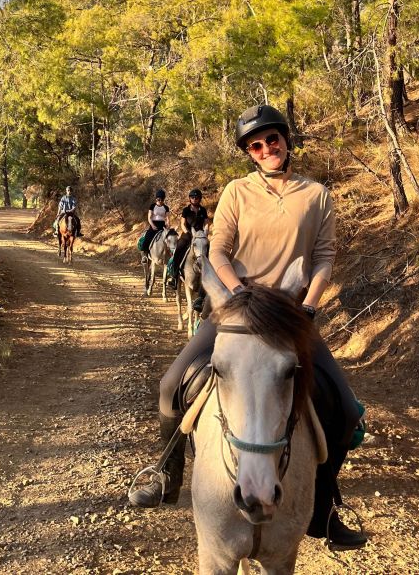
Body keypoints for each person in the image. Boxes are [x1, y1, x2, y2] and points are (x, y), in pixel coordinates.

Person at [128, 105, 367, 550]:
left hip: (293, 315)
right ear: (249, 154)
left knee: (347, 411)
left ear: (286, 140)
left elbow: (323, 258)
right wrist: (239, 295)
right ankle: (166, 473)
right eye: (255, 145)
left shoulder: (317, 195)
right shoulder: (237, 191)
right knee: (170, 385)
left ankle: (327, 505)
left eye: (271, 139)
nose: (265, 148)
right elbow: (218, 251)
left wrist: (310, 307)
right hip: (237, 311)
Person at [166, 188, 210, 288]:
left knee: (210, 249)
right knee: (178, 249)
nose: (194, 199)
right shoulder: (186, 210)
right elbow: (183, 224)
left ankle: (212, 276)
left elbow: (207, 223)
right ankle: (174, 276)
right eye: (192, 197)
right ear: (190, 199)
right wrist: (189, 233)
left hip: (200, 236)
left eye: (196, 197)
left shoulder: (203, 210)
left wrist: (205, 233)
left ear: (199, 199)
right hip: (188, 235)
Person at [139, 189, 170, 261]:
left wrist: (168, 225)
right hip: (153, 224)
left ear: (163, 199)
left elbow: (168, 218)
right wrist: (152, 225)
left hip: (162, 225)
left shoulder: (166, 207)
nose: (160, 200)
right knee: (147, 237)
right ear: (156, 198)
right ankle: (145, 255)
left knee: (170, 239)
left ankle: (169, 256)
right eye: (158, 199)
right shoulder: (152, 206)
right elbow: (149, 217)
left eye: (161, 199)